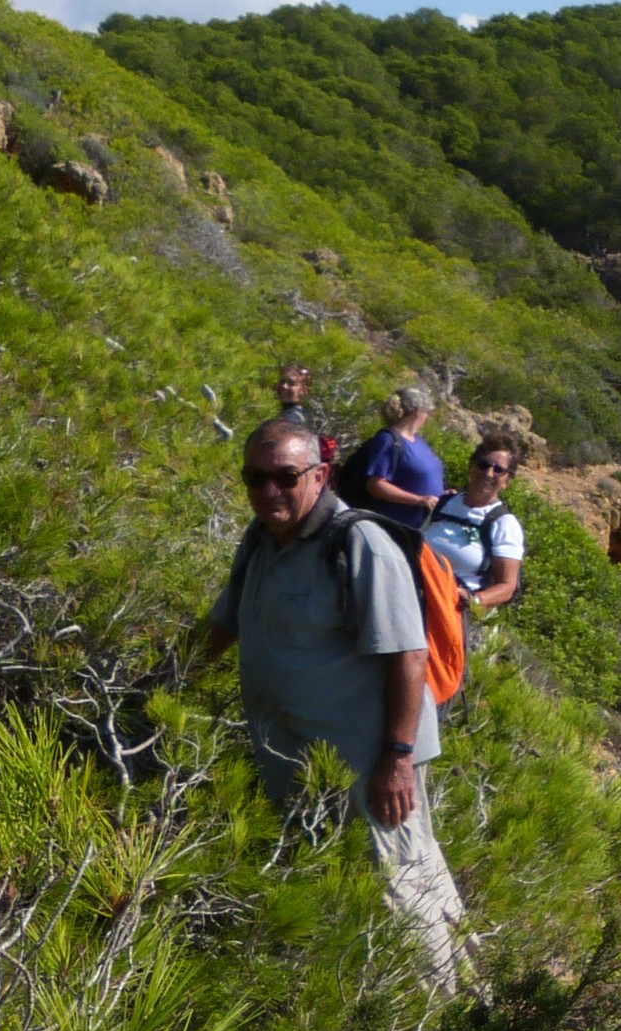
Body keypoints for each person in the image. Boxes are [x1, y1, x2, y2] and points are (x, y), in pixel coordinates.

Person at [204, 422, 468, 989]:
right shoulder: (261, 539)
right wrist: (163, 682)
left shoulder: (359, 543)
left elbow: (408, 656)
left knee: (401, 889)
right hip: (299, 761)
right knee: (337, 886)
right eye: (255, 478)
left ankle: (444, 1013)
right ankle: (356, 997)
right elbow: (223, 624)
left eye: (286, 477)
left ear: (320, 475)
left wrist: (396, 757)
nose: (269, 491)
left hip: (371, 765)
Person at [424, 435, 527, 612]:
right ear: (471, 466)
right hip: (418, 591)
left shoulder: (504, 524)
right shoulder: (444, 503)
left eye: (498, 470)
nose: (488, 473)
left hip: (455, 610)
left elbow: (507, 587)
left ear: (507, 480)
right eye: (483, 464)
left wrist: (473, 600)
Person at [348, 385, 446, 530]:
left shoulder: (419, 442)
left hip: (419, 528)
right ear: (417, 412)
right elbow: (376, 485)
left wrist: (443, 496)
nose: (427, 417)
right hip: (391, 527)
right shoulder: (387, 440)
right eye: (427, 412)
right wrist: (419, 500)